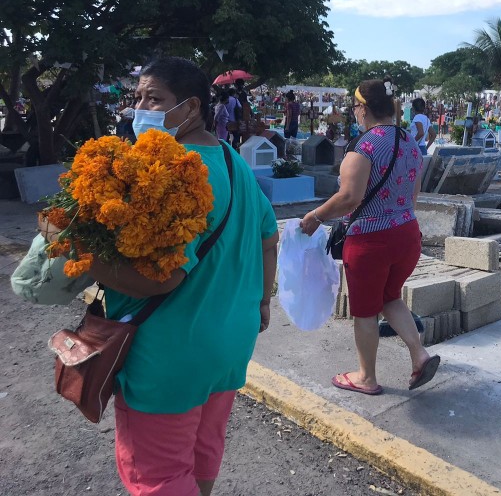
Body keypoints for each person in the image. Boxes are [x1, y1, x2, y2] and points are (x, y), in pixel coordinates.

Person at [41, 57, 278, 496]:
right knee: (203, 449)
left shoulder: (175, 171)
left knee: (159, 474)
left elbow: (161, 282)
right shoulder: (231, 160)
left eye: (154, 98)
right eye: (138, 97)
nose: (140, 108)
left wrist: (74, 249)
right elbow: (268, 237)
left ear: (189, 107)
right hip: (229, 343)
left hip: (171, 353)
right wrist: (262, 302)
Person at [299, 79, 440, 395]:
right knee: (390, 297)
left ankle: (366, 377)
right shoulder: (409, 142)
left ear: (362, 108)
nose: (354, 112)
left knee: (364, 310)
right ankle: (420, 354)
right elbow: (413, 196)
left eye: (354, 106)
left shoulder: (363, 146)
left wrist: (315, 216)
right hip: (407, 235)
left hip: (370, 241)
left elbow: (349, 197)